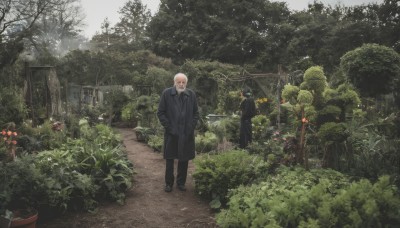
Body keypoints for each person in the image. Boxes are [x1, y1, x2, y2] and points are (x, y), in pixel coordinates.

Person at [157, 73, 200, 192]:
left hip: (186, 133)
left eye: (183, 82)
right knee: (170, 159)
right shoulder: (167, 93)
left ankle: (181, 183)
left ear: (186, 83)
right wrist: (170, 128)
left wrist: (190, 127)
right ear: (174, 82)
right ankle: (168, 183)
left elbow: (196, 114)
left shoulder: (191, 95)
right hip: (172, 133)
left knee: (184, 158)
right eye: (179, 82)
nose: (181, 84)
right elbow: (161, 112)